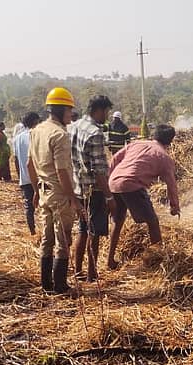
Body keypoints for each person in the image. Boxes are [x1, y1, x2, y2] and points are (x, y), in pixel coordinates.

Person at [27, 87, 85, 294]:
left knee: (47, 238)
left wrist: (35, 191)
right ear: (60, 110)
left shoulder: (37, 131)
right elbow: (62, 171)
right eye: (69, 109)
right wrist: (74, 200)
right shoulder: (60, 135)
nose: (71, 114)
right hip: (59, 194)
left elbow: (29, 165)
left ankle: (46, 284)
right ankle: (60, 285)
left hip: (43, 192)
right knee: (63, 239)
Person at [106, 124, 181, 271]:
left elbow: (114, 159)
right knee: (152, 222)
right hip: (131, 185)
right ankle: (157, 263)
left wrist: (109, 178)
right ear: (170, 142)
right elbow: (171, 185)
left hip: (113, 182)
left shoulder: (137, 143)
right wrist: (174, 206)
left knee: (118, 220)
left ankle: (109, 260)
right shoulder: (164, 157)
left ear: (154, 135)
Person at [70, 95, 116, 282]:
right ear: (99, 110)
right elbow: (98, 170)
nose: (107, 115)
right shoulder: (95, 133)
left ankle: (78, 271)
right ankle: (91, 274)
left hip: (77, 188)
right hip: (93, 190)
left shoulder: (73, 126)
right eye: (106, 112)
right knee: (94, 233)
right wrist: (109, 197)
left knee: (82, 229)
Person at [13, 112, 40, 235]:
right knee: (45, 206)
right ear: (35, 122)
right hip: (39, 177)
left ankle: (32, 231)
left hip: (24, 177)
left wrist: (20, 176)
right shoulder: (35, 135)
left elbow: (16, 159)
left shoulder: (17, 138)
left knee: (29, 206)